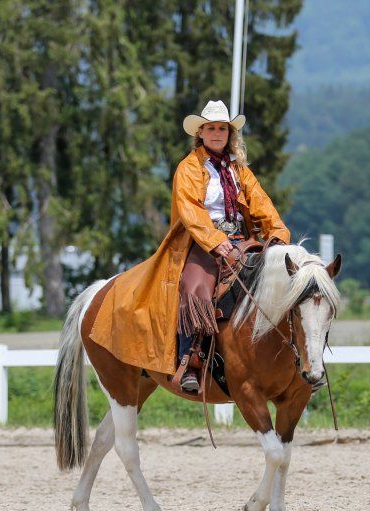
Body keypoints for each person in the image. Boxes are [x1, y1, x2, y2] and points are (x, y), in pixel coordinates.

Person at [87, 99, 291, 393]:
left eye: (222, 128)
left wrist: (278, 236)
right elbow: (191, 211)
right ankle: (190, 361)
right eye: (211, 128)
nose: (217, 133)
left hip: (240, 240)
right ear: (201, 133)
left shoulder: (239, 170)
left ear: (229, 134)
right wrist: (216, 242)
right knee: (196, 288)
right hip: (200, 242)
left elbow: (262, 204)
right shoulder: (189, 168)